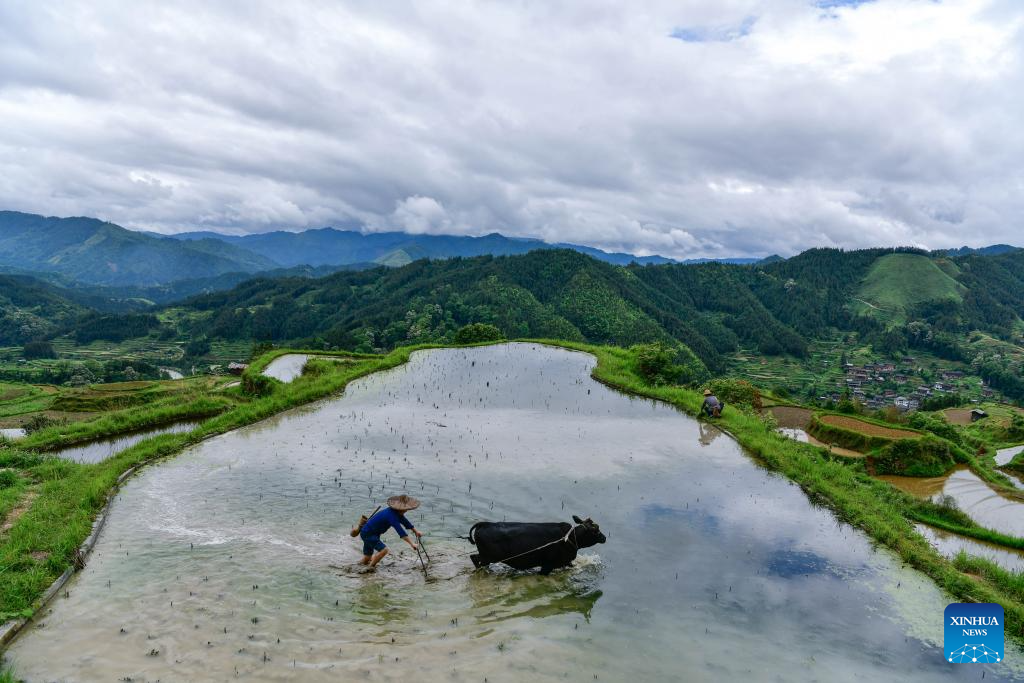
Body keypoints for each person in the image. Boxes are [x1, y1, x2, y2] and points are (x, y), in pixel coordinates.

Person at [358, 494, 424, 571]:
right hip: (369, 534)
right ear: (401, 509)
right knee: (384, 550)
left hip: (368, 532)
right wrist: (412, 544)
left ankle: (356, 567)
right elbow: (401, 532)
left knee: (367, 557)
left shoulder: (396, 513)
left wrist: (416, 531)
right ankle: (370, 568)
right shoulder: (391, 516)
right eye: (406, 509)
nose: (406, 510)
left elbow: (405, 522)